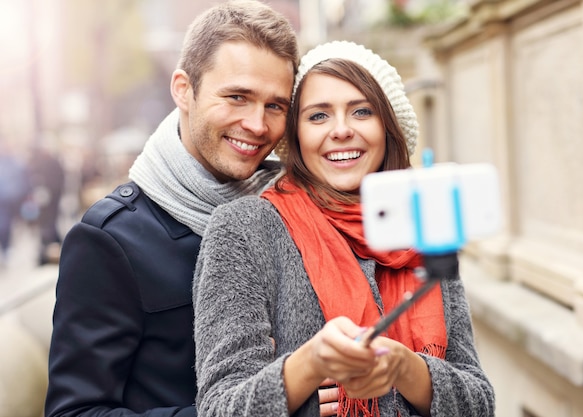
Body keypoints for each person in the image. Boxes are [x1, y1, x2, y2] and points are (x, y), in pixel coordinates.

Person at [193, 41, 496, 417]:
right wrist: (307, 365)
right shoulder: (247, 229)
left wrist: (406, 368)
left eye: (362, 111)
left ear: (388, 127)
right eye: (318, 116)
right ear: (297, 135)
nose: (340, 130)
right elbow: (220, 407)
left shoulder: (425, 222)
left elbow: (480, 402)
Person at [44, 2, 301, 416]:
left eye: (275, 106)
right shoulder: (111, 240)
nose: (258, 124)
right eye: (237, 97)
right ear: (183, 89)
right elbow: (75, 411)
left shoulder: (292, 210)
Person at [26, 146, 66, 265]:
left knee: (49, 225)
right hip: (44, 201)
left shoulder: (51, 163)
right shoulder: (38, 163)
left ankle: (50, 251)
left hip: (51, 199)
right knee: (47, 226)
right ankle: (48, 251)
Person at [0, 142, 31, 266]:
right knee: (6, 224)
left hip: (8, 200)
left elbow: (24, 180)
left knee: (6, 224)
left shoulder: (16, 163)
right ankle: (6, 248)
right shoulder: (17, 163)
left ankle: (6, 248)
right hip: (10, 199)